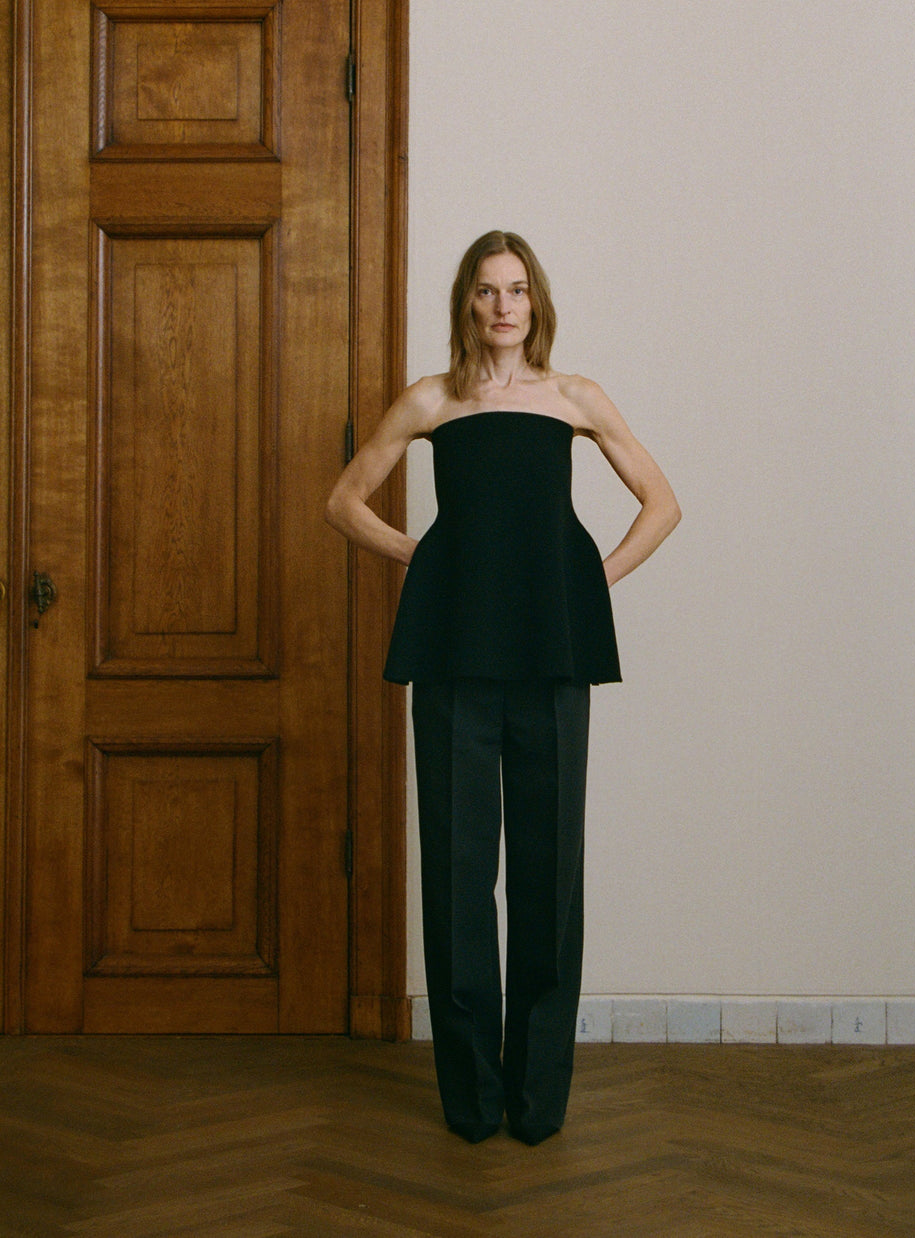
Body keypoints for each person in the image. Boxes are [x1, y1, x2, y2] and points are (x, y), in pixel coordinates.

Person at [325, 230, 680, 1144]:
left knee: (548, 877)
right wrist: (422, 557)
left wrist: (585, 579)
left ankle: (538, 1098)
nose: (502, 307)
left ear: (537, 303)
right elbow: (344, 501)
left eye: (517, 290)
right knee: (456, 878)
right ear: (467, 305)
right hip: (453, 659)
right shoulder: (431, 400)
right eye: (487, 292)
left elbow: (662, 503)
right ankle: (472, 1098)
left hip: (552, 659)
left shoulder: (573, 397)